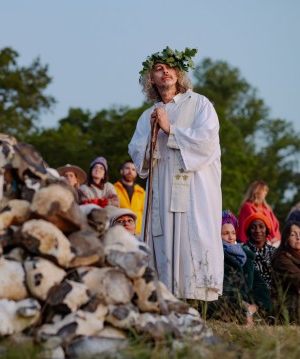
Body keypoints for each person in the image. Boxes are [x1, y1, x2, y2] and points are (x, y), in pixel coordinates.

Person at [128, 46, 223, 301]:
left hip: (192, 189)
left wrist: (171, 130)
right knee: (162, 241)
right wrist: (152, 133)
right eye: (158, 69)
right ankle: (164, 298)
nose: (164, 72)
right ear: (151, 79)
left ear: (178, 73)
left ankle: (193, 301)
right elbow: (139, 158)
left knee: (190, 238)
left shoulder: (200, 104)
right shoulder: (147, 115)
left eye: (169, 67)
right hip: (161, 189)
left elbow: (207, 142)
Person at [210, 210, 271, 324]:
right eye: (225, 233)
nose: (231, 237)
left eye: (233, 233)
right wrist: (244, 307)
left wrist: (257, 305)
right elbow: (226, 289)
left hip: (250, 308)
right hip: (227, 306)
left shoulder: (245, 256)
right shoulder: (216, 255)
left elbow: (259, 285)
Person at [237, 181, 281, 246]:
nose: (266, 193)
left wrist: (276, 238)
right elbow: (253, 227)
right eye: (264, 190)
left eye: (266, 191)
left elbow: (275, 225)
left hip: (273, 242)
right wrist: (267, 239)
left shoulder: (267, 208)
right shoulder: (247, 207)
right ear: (257, 191)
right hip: (256, 243)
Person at [242, 213, 277, 290]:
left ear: (267, 229)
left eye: (261, 227)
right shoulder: (242, 252)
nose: (257, 231)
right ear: (248, 231)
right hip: (252, 295)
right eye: (253, 227)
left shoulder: (274, 251)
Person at [114, 160, 145, 235]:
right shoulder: (113, 189)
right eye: (127, 168)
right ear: (121, 171)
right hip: (119, 232)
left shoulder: (142, 192)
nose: (130, 171)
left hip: (138, 233)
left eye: (133, 169)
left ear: (136, 173)